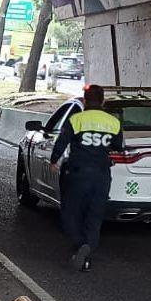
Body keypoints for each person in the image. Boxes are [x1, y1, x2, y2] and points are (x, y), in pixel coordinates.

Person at [49, 84, 123, 272]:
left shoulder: (77, 119)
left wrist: (54, 160)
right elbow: (118, 146)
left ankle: (80, 244)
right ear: (103, 100)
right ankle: (87, 250)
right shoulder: (113, 122)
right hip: (102, 175)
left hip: (78, 174)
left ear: (85, 100)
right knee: (94, 216)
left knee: (70, 213)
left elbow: (62, 141)